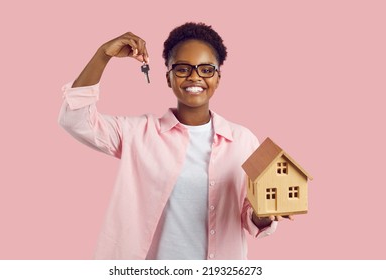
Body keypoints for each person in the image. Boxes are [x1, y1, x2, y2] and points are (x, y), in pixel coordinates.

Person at [58, 22, 286, 260]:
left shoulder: (243, 141)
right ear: (168, 77)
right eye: (182, 69)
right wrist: (102, 55)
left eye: (206, 69)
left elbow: (251, 214)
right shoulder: (138, 134)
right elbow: (75, 120)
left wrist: (263, 215)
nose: (194, 77)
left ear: (218, 78)